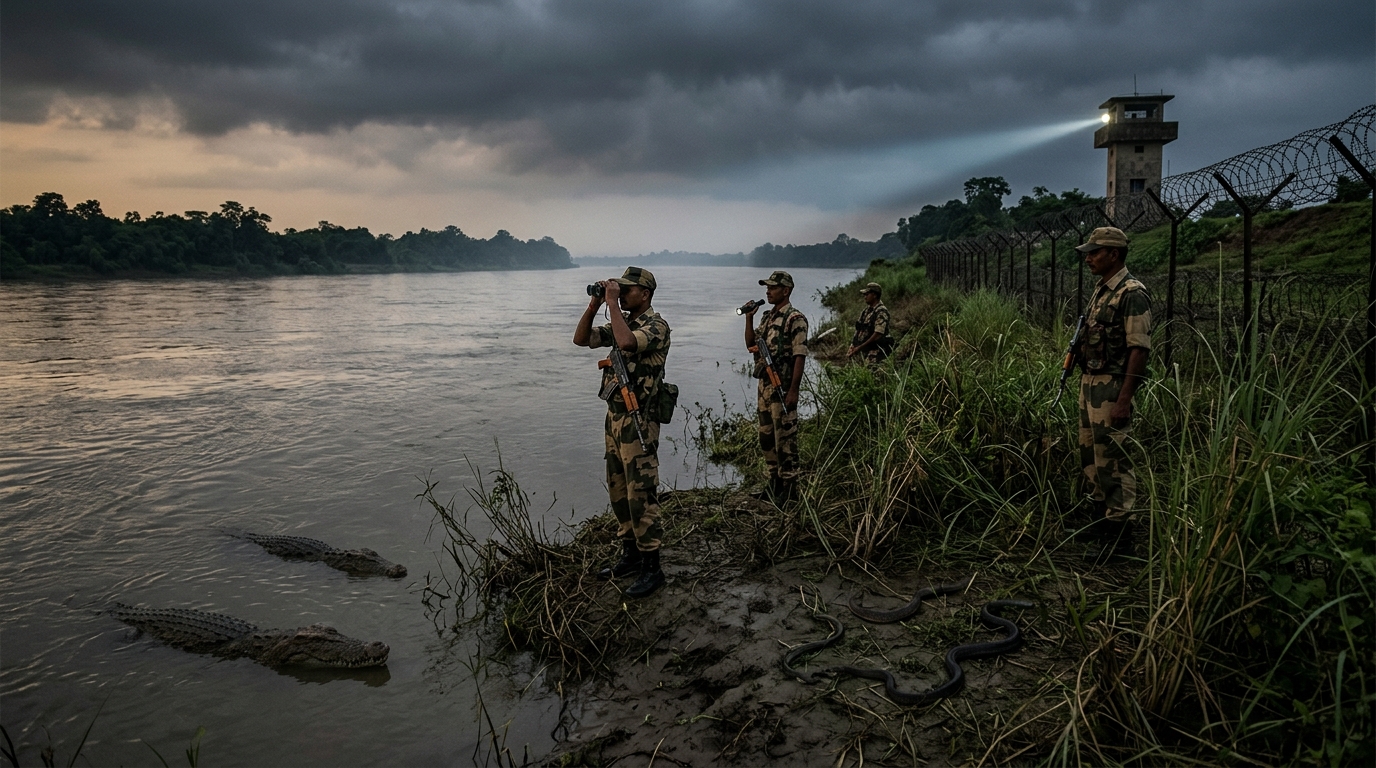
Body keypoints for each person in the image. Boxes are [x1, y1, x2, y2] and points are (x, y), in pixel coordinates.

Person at [573, 266, 670, 598]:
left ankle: (652, 567)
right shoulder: (620, 321)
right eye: (620, 290)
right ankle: (629, 555)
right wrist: (594, 304)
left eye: (628, 291)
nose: (623, 294)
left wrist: (612, 304)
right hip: (615, 419)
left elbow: (627, 343)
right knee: (618, 489)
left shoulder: (656, 326)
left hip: (639, 419)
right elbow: (582, 339)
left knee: (640, 492)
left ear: (645, 295)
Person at [1073, 227, 1152, 561]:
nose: (1088, 257)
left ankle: (1120, 537)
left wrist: (1124, 399)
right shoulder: (1102, 290)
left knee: (1114, 460)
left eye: (1095, 251)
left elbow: (1139, 348)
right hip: (1091, 382)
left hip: (1112, 385)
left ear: (1114, 254)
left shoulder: (1131, 292)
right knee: (1091, 455)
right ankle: (1101, 520)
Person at [743, 270, 809, 504]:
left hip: (782, 388)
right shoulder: (767, 317)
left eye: (772, 287)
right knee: (767, 437)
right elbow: (751, 344)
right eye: (767, 287)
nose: (768, 291)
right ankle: (774, 484)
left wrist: (794, 391)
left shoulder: (795, 318)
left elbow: (799, 356)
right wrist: (749, 317)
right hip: (765, 387)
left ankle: (790, 490)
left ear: (786, 290)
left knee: (785, 438)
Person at [847, 282, 892, 364]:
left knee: (871, 373)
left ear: (874, 295)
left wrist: (859, 348)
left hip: (877, 351)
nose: (865, 297)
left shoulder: (881, 311)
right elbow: (859, 329)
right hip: (864, 350)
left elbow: (877, 335)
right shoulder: (866, 311)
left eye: (867, 294)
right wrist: (853, 345)